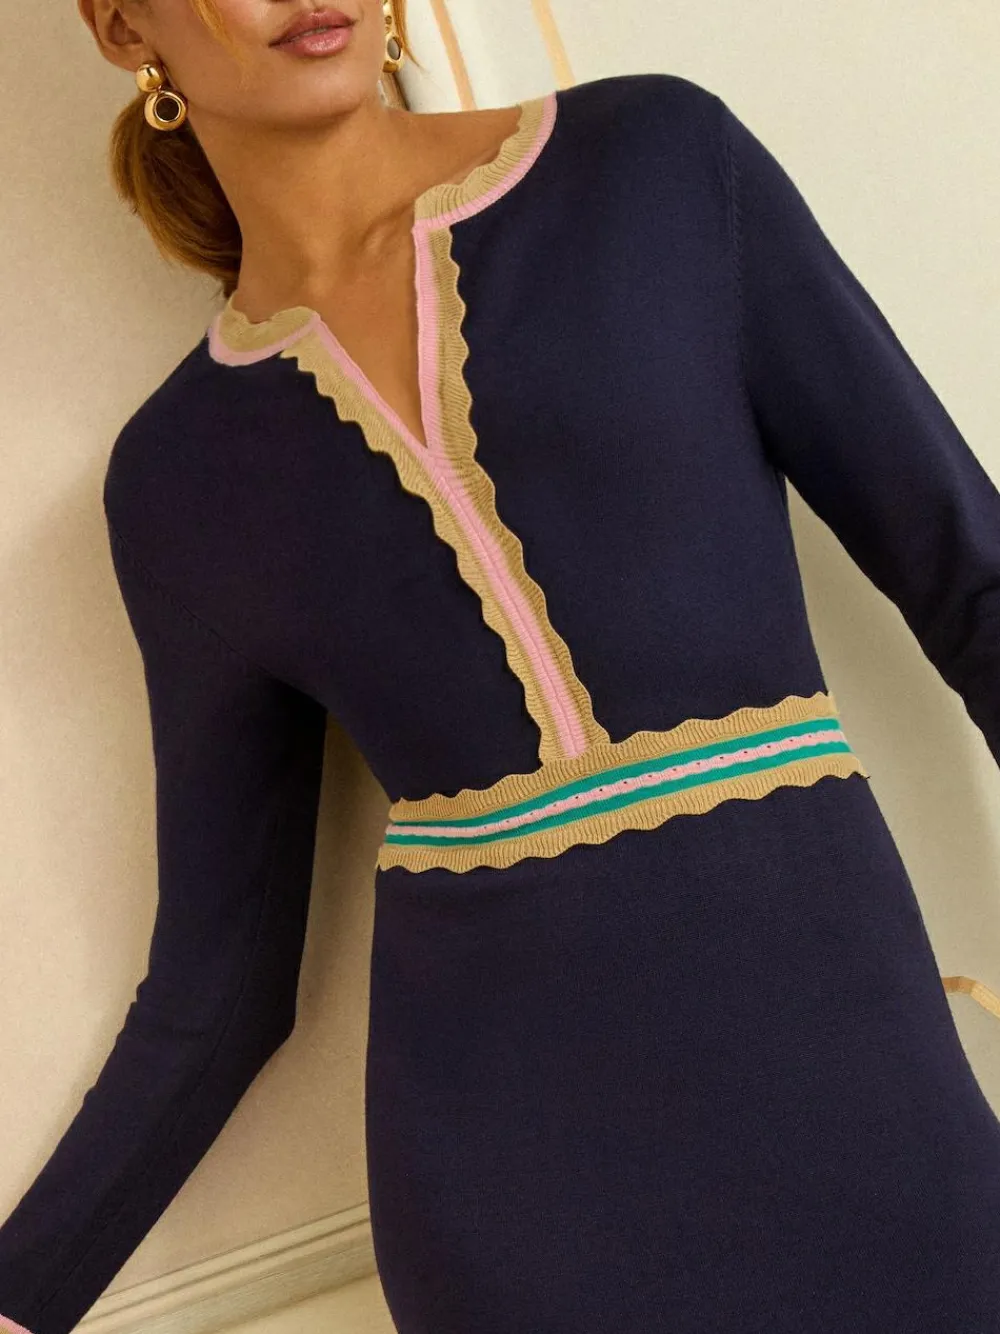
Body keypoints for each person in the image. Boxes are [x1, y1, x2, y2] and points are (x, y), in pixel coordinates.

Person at [3, 1, 1000, 1330]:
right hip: (513, 1205)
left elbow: (973, 581)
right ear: (126, 27)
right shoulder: (177, 477)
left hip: (861, 1100)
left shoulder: (656, 167)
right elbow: (218, 984)